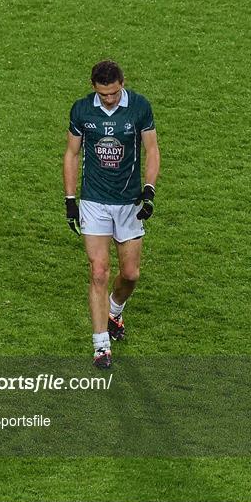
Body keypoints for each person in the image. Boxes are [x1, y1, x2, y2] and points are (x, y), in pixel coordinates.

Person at [63, 60, 160, 369]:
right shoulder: (81, 111)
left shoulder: (139, 106)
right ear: (94, 87)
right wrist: (70, 200)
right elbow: (72, 153)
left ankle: (115, 309)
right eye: (104, 94)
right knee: (99, 270)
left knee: (130, 274)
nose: (110, 99)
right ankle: (101, 345)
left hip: (129, 202)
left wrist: (149, 191)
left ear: (123, 83)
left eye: (115, 93)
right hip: (94, 201)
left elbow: (152, 149)